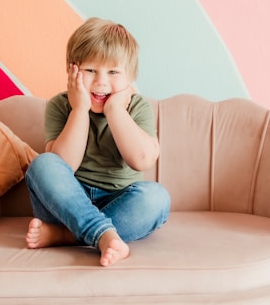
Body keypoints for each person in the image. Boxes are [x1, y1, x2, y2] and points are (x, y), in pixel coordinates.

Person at [25, 17, 170, 267]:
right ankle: (102, 234)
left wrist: (115, 110)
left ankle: (67, 235)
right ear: (72, 70)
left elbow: (142, 160)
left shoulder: (137, 107)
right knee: (43, 164)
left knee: (157, 198)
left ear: (130, 79)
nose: (101, 82)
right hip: (65, 205)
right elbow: (64, 164)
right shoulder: (61, 105)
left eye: (113, 72)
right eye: (91, 70)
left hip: (119, 202)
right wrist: (79, 109)